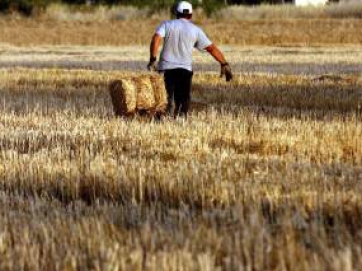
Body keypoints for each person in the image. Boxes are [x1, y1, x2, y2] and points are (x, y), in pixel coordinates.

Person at [147, 1, 233, 117]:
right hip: (184, 70)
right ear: (191, 15)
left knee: (164, 100)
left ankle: (162, 122)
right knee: (183, 100)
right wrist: (224, 63)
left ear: (176, 13)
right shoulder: (195, 30)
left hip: (166, 69)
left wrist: (153, 58)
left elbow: (156, 38)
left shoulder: (167, 25)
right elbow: (211, 48)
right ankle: (181, 121)